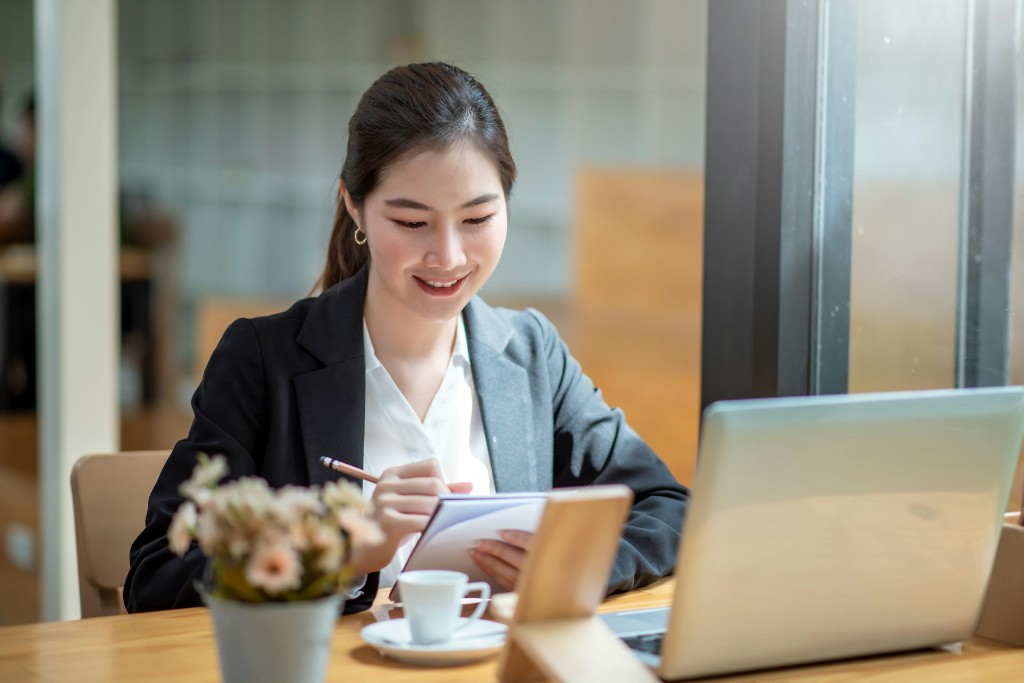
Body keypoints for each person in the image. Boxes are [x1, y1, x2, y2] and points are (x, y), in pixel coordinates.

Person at [125, 62, 689, 615]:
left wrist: (570, 564)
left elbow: (668, 506)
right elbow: (154, 576)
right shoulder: (262, 360)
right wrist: (341, 554)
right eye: (412, 223)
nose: (448, 256)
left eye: (477, 219)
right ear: (356, 207)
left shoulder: (531, 354)